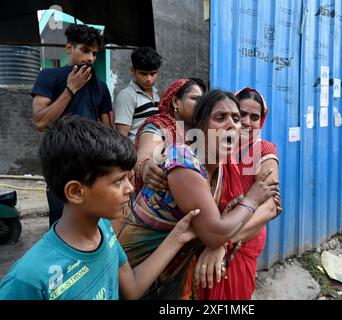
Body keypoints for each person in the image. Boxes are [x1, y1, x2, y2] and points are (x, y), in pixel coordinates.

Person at [0, 116, 200, 300]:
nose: (130, 188)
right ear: (76, 192)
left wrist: (178, 237)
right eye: (118, 181)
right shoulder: (29, 280)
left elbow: (132, 288)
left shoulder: (104, 231)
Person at [117, 89, 278, 299]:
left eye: (236, 118)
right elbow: (214, 233)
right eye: (221, 118)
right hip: (138, 269)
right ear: (200, 127)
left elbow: (272, 204)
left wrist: (223, 243)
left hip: (181, 263)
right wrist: (252, 198)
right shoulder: (184, 161)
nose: (237, 124)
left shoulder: (228, 162)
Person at [197, 87, 282, 299]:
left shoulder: (264, 150)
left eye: (255, 117)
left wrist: (223, 243)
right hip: (209, 234)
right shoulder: (212, 148)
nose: (246, 122)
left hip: (243, 240)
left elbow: (269, 206)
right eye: (241, 114)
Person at [31, 23, 113, 228]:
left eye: (94, 53)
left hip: (92, 162)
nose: (91, 58)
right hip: (61, 161)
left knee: (93, 222)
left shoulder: (100, 87)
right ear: (69, 48)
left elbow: (107, 129)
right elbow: (41, 122)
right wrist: (70, 89)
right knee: (62, 222)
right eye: (85, 50)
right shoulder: (49, 77)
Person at [111, 78, 206, 234]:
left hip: (190, 220)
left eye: (203, 100)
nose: (200, 105)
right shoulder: (159, 125)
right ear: (176, 102)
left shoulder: (203, 132)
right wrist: (145, 164)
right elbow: (145, 152)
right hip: (151, 222)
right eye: (195, 98)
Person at [113, 47, 162, 143]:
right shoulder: (127, 96)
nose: (149, 79)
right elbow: (122, 136)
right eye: (143, 74)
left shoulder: (156, 95)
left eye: (153, 74)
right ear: (133, 70)